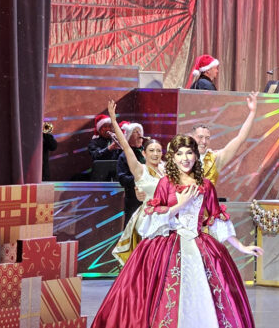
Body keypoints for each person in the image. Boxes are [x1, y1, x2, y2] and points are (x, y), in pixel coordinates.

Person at [91, 134, 261, 328]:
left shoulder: (206, 185)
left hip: (199, 244)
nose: (185, 158)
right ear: (173, 157)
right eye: (179, 154)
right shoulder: (165, 183)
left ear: (196, 156)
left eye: (189, 153)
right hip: (167, 244)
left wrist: (241, 246)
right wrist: (180, 205)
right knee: (162, 297)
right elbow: (153, 220)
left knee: (206, 297)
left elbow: (215, 218)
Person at [106, 100, 166, 265]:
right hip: (147, 220)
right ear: (144, 153)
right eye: (151, 150)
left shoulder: (167, 170)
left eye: (158, 150)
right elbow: (125, 146)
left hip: (166, 218)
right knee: (145, 262)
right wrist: (113, 120)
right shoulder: (140, 170)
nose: (155, 154)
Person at [191, 92, 260, 186]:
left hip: (207, 200)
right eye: (200, 137)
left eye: (207, 138)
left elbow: (240, 138)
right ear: (191, 138)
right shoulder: (181, 158)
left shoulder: (215, 158)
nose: (204, 141)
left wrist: (252, 112)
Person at [115, 120, 146, 221]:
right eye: (135, 132)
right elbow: (122, 179)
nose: (139, 134)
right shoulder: (124, 156)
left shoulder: (146, 153)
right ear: (128, 137)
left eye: (140, 131)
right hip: (133, 201)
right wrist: (140, 179)